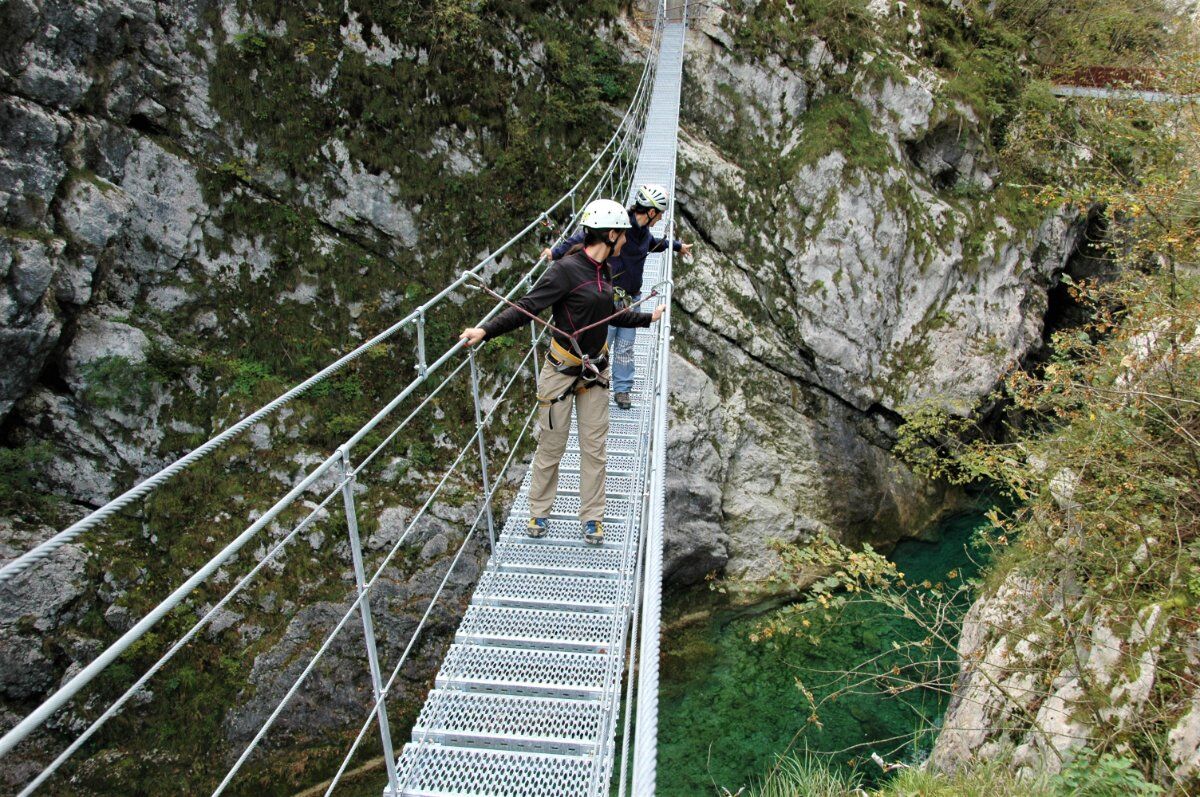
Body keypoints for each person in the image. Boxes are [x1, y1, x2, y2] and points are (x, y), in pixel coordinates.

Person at [460, 199, 666, 545]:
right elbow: (527, 307)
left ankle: (592, 518)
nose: (627, 241)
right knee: (551, 447)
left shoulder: (605, 271)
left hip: (595, 372)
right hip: (560, 370)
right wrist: (485, 330)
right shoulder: (565, 271)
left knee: (595, 448)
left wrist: (648, 319)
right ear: (612, 234)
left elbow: (609, 314)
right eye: (624, 235)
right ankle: (539, 512)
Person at [540, 184, 691, 410]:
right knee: (602, 344)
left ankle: (622, 390)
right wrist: (556, 253)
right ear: (650, 212)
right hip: (608, 299)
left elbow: (653, 244)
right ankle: (590, 384)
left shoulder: (644, 233)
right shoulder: (620, 225)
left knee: (626, 348)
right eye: (659, 214)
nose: (660, 219)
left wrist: (677, 247)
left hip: (632, 297)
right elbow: (585, 236)